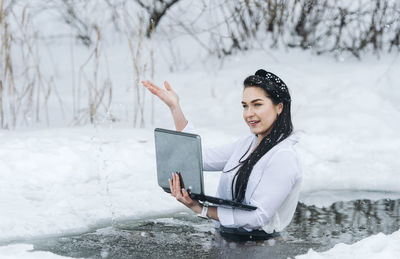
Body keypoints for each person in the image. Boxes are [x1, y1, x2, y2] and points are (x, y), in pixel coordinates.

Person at [142, 69, 302, 241]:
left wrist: (201, 209)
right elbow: (196, 158)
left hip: (259, 248)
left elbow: (258, 217)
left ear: (279, 107)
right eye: (245, 106)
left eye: (257, 104)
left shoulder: (284, 156)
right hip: (226, 241)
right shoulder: (247, 144)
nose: (249, 113)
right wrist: (175, 107)